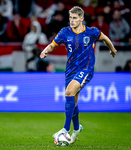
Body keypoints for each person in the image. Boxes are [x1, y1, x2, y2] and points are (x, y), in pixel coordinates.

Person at [40, 6, 117, 145]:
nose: (72, 20)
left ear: (82, 18)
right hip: (70, 71)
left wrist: (112, 49)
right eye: (70, 18)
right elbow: (53, 45)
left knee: (69, 92)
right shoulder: (65, 32)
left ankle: (65, 129)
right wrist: (45, 50)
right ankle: (76, 129)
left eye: (75, 18)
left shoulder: (91, 32)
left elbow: (105, 38)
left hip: (85, 69)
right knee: (73, 103)